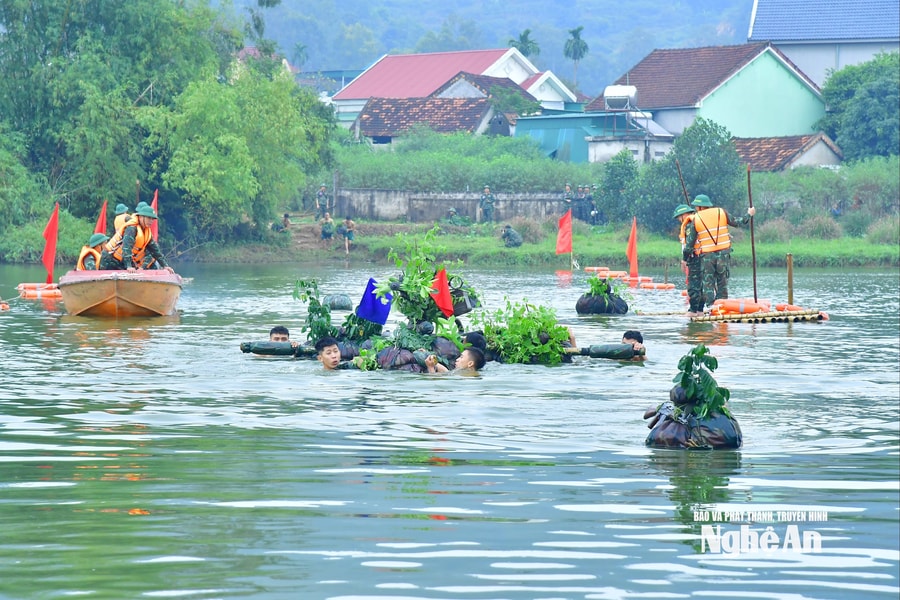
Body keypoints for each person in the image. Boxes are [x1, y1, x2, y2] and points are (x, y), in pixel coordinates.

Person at [686, 194, 756, 311]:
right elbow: (738, 222)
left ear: (699, 207)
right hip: (723, 253)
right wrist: (749, 214)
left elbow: (689, 244)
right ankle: (723, 305)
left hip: (707, 255)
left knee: (708, 281)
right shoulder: (721, 212)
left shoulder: (696, 219)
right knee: (722, 279)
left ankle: (710, 306)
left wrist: (685, 257)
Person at [100, 205, 174, 272]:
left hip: (121, 261)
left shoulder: (147, 232)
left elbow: (155, 250)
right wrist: (128, 266)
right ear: (141, 217)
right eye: (149, 218)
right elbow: (126, 247)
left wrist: (165, 265)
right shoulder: (131, 228)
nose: (151, 221)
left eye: (152, 219)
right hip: (110, 259)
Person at [673, 204, 703, 316]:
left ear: (684, 215)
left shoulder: (690, 225)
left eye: (679, 218)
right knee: (702, 285)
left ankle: (693, 311)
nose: (679, 220)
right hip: (704, 256)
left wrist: (684, 260)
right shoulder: (698, 221)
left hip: (695, 258)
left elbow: (689, 246)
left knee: (693, 286)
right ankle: (700, 310)